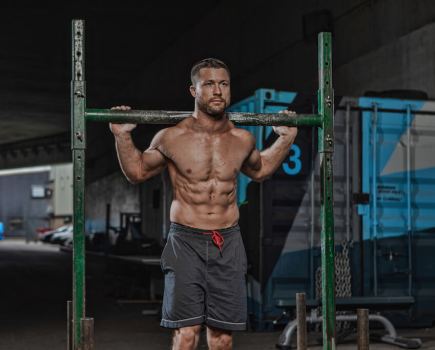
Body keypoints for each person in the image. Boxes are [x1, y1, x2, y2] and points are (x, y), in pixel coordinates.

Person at [110, 58, 297, 350]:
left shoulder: (241, 138)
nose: (218, 91)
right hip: (186, 240)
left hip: (228, 241)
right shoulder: (172, 137)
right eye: (208, 84)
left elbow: (260, 170)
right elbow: (137, 172)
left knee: (222, 338)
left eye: (223, 83)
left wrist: (285, 140)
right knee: (186, 334)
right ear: (193, 90)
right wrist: (122, 136)